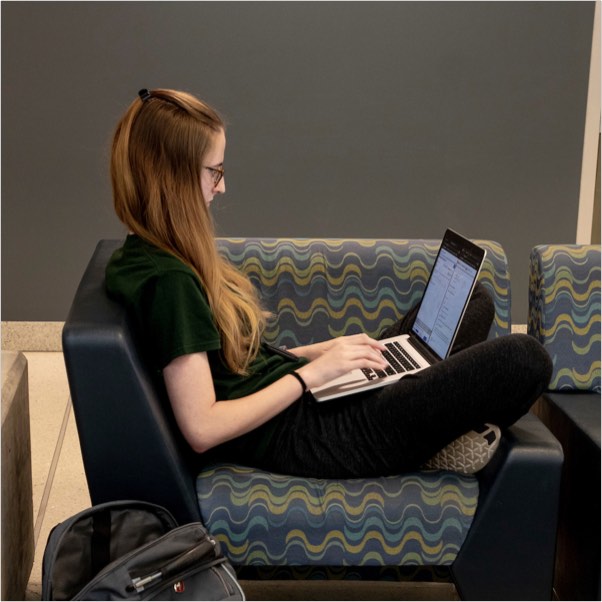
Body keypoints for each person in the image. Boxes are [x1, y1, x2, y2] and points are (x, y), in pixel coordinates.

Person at [106, 88, 553, 479]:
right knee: (524, 358)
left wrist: (322, 355)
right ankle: (432, 443)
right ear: (175, 179)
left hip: (316, 403)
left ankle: (423, 407)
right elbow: (202, 427)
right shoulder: (169, 282)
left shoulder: (151, 254)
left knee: (475, 301)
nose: (222, 188)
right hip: (326, 436)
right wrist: (309, 376)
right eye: (215, 171)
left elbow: (231, 370)